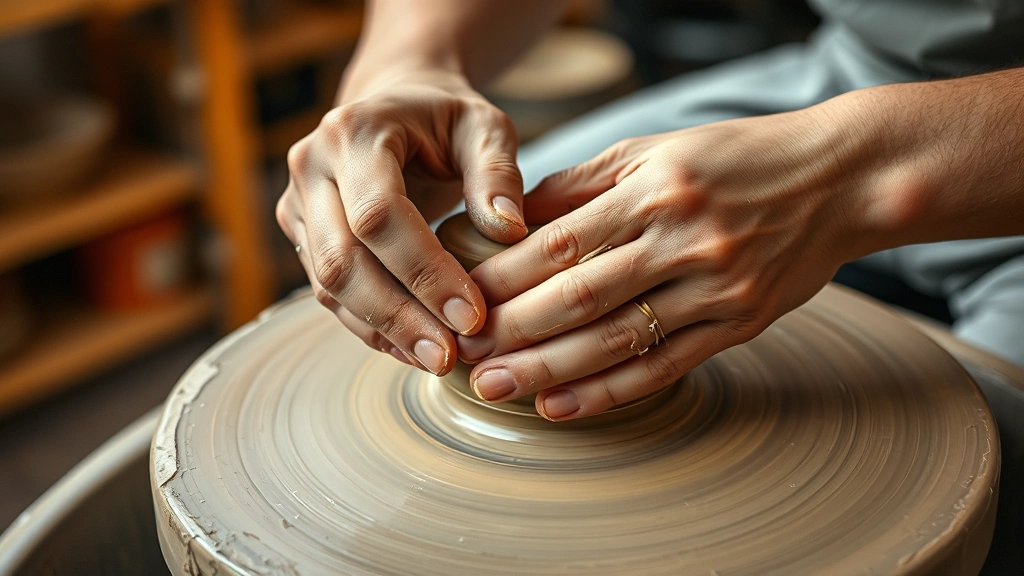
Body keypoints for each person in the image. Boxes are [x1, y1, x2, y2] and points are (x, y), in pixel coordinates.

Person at [276, 1, 1024, 421]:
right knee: (393, 257)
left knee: (994, 457)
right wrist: (409, 65)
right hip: (855, 75)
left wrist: (852, 176)